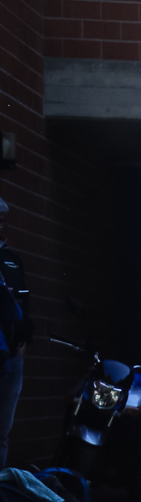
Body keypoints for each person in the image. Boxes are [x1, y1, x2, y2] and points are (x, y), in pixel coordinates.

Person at [0, 197, 30, 468]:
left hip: (12, 354)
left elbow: (25, 302)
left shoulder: (12, 259)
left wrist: (23, 342)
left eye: (2, 221)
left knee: (2, 431)